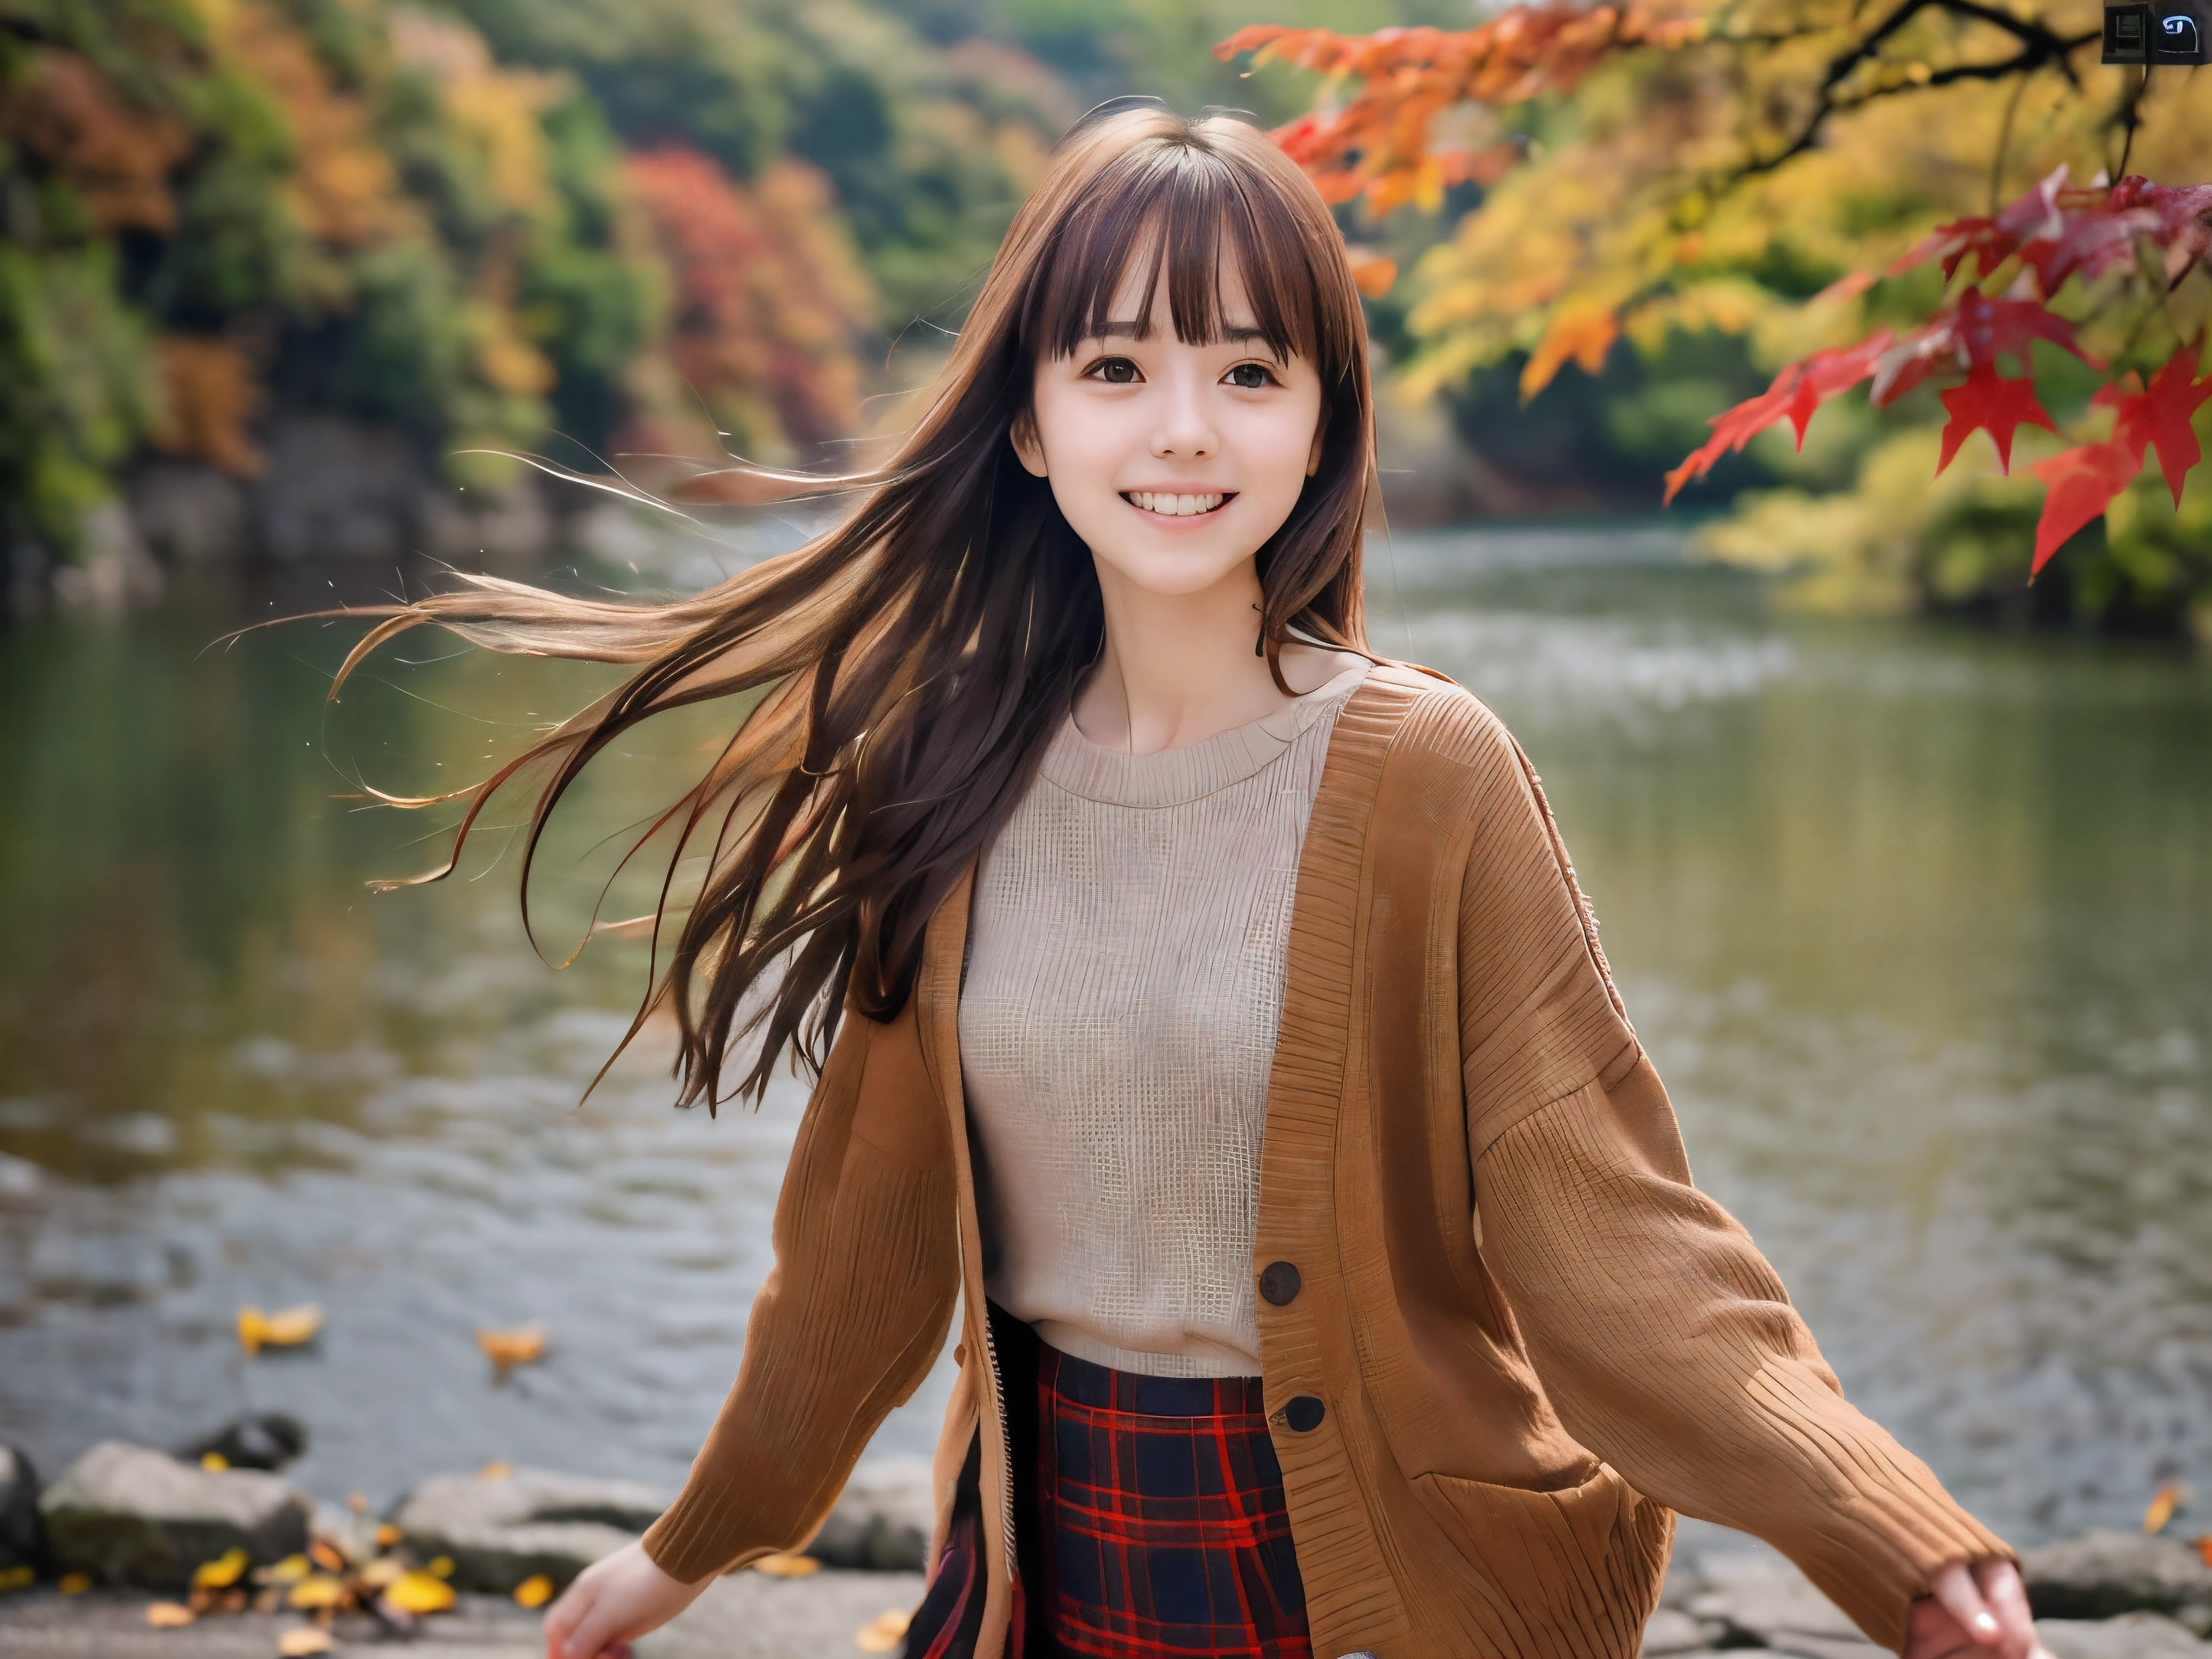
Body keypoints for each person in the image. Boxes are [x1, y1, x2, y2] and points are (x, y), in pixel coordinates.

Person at [335, 105, 2049, 1659]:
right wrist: (690, 1550)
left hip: (1349, 1577)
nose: (1183, 432)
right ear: (1025, 420)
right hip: (1033, 1557)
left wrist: (1885, 1532)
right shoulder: (945, 770)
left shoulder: (1429, 776)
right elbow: (859, 1246)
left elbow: (1603, 1222)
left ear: (1322, 423)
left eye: (1248, 372)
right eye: (1115, 369)